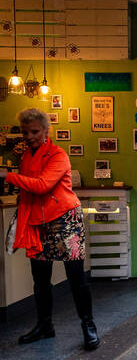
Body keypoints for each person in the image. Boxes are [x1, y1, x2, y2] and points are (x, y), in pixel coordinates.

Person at [0, 108, 99, 350]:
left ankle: (89, 326)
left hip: (65, 219)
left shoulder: (58, 155)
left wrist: (7, 176)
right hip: (38, 222)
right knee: (40, 279)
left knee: (76, 278)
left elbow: (43, 185)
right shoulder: (26, 157)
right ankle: (45, 325)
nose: (29, 136)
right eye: (25, 132)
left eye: (34, 131)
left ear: (46, 131)